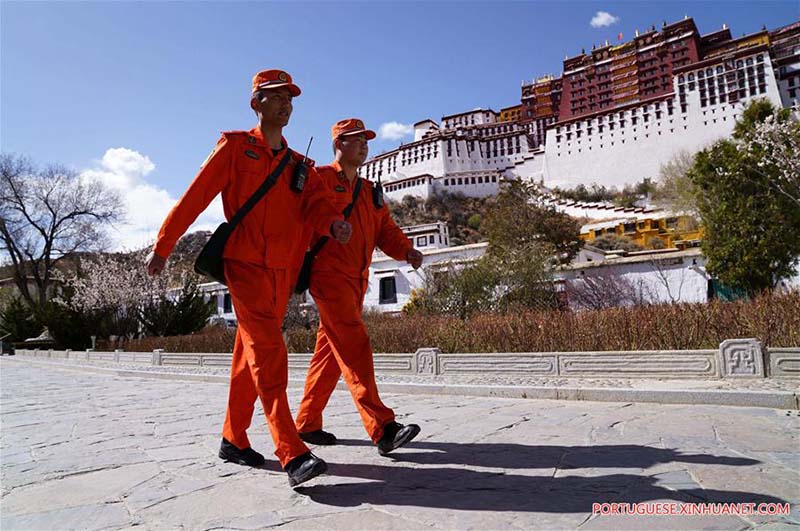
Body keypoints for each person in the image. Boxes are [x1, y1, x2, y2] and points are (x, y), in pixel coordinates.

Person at [145, 69, 352, 487]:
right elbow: (195, 196)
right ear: (256, 103)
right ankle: (291, 452)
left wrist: (333, 224)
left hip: (282, 272)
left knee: (249, 356)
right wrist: (163, 245)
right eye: (276, 96)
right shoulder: (236, 148)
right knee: (270, 352)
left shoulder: (300, 165)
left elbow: (317, 206)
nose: (285, 104)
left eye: (290, 98)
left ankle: (233, 438)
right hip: (244, 265)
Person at [294, 118, 423, 455]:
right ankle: (383, 427)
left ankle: (307, 422)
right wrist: (329, 227)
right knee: (355, 344)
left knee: (329, 353)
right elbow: (304, 213)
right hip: (328, 276)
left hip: (358, 279)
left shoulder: (369, 191)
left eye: (366, 140)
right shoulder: (319, 178)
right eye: (357, 140)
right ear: (339, 143)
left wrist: (406, 251)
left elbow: (385, 230)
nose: (365, 146)